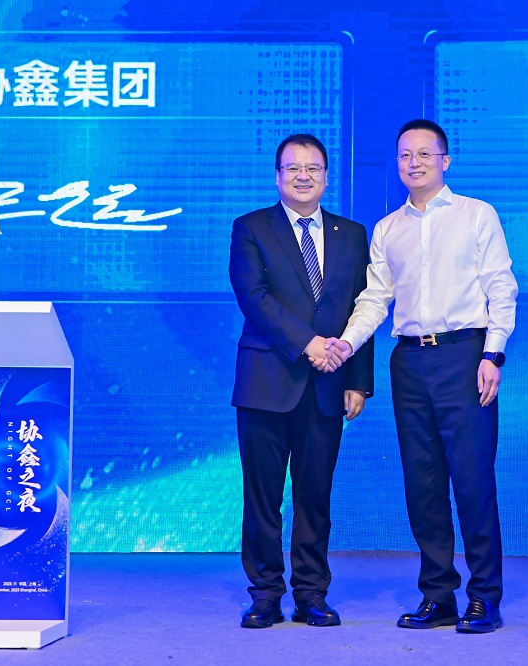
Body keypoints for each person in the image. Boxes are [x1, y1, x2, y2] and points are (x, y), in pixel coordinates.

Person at [321, 119, 517, 634]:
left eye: (425, 154)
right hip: (409, 361)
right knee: (422, 484)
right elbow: (375, 299)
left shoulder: (476, 215)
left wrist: (493, 354)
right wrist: (346, 343)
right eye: (405, 155)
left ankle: (485, 598)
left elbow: (501, 287)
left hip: (465, 356)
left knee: (472, 481)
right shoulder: (388, 228)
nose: (415, 163)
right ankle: (438, 595)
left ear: (445, 160)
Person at [229, 133, 374, 629]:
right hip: (265, 382)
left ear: (327, 176)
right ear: (277, 176)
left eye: (313, 167)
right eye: (293, 168)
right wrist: (309, 343)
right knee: (263, 497)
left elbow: (362, 308)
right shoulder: (251, 227)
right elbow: (254, 298)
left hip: (329, 385)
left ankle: (311, 593)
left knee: (315, 496)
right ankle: (265, 594)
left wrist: (358, 380)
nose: (303, 176)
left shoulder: (351, 234)